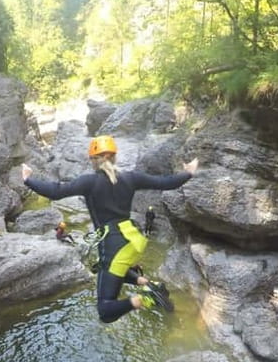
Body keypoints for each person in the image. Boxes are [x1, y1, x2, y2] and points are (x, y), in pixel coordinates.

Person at [22, 135, 199, 323]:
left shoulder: (89, 181)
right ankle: (147, 284)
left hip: (113, 243)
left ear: (92, 160)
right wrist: (187, 173)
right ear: (114, 157)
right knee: (103, 267)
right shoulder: (131, 178)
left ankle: (145, 298)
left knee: (105, 310)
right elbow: (165, 182)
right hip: (132, 240)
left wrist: (28, 179)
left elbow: (55, 191)